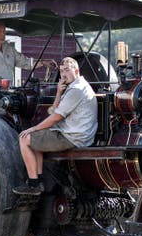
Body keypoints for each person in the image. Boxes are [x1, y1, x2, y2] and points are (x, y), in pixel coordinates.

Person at [14, 57, 98, 196]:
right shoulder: (77, 85)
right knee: (37, 138)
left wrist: (33, 128)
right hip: (77, 134)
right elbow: (54, 110)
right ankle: (39, 179)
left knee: (24, 138)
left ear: (76, 70)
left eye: (67, 70)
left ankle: (34, 184)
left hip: (73, 137)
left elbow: (55, 117)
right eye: (61, 71)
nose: (63, 74)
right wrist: (59, 92)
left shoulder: (76, 90)